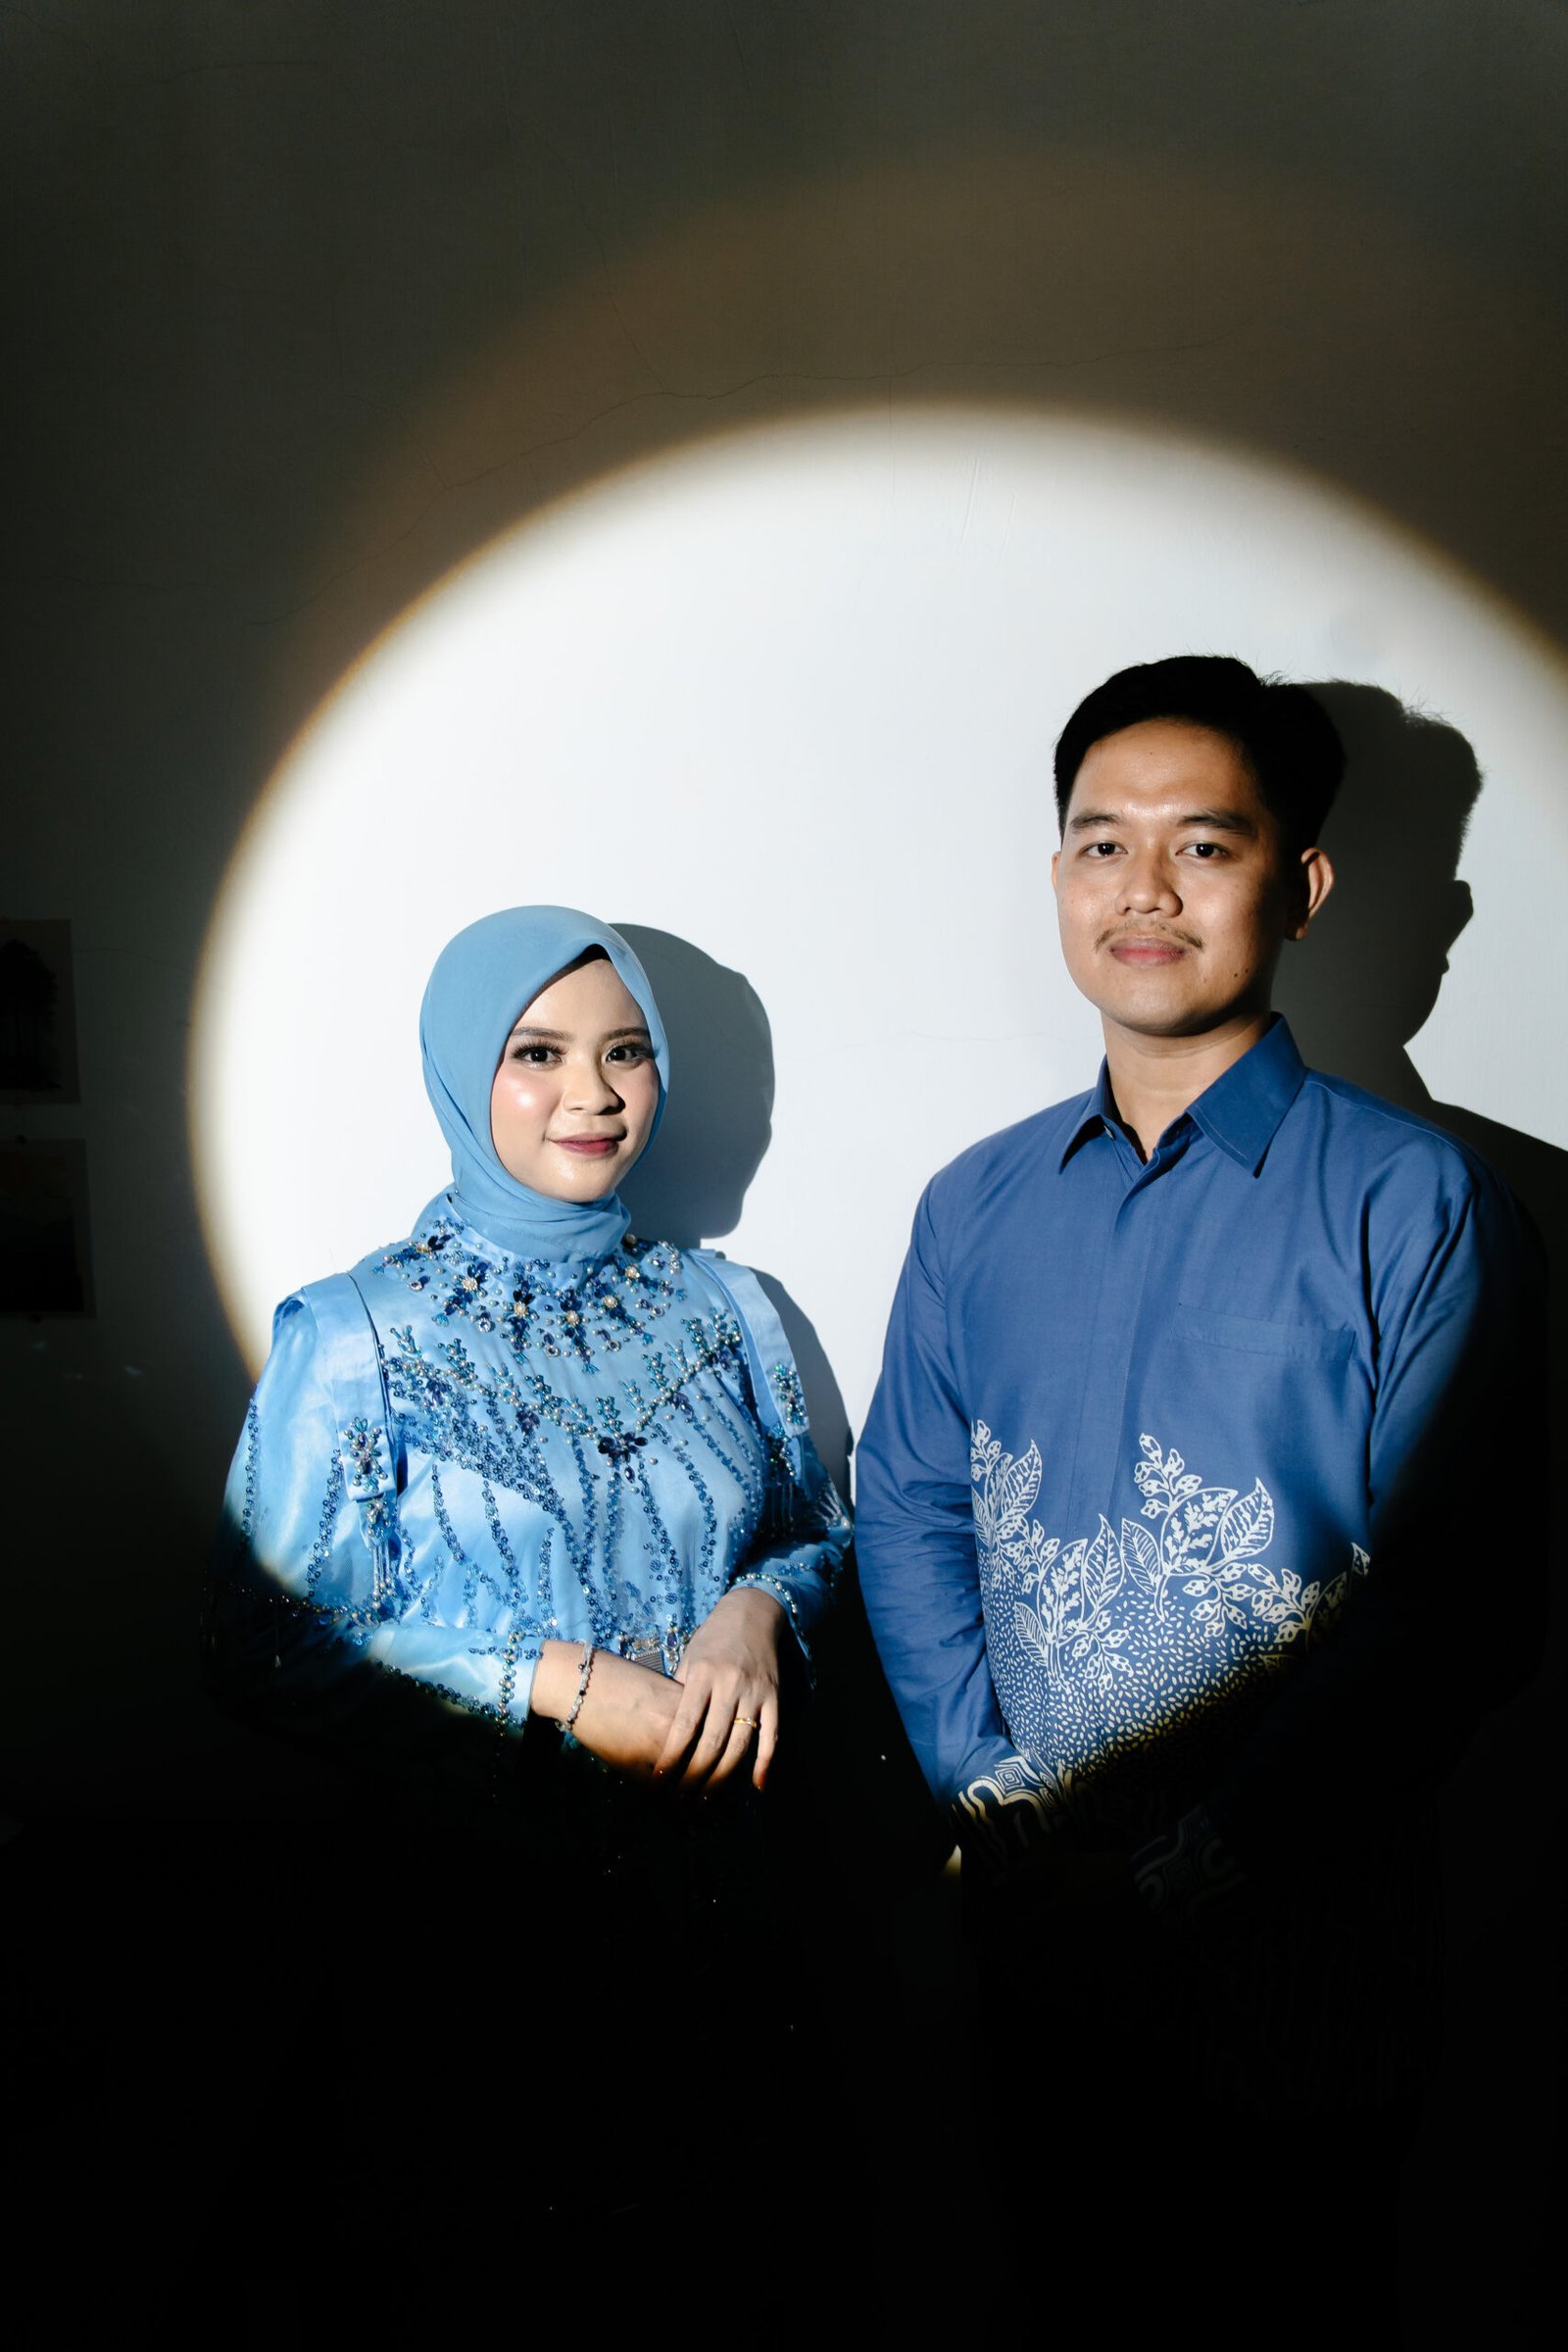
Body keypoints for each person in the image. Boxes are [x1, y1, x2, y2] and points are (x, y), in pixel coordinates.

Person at [854, 656, 1544, 2337]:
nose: (1143, 890)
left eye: (1204, 846)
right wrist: (989, 1794)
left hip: (1306, 1973)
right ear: (1058, 878)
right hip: (1034, 1954)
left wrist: (1203, 1867)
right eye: (1103, 844)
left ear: (1301, 885)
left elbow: (1454, 1602)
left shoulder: (1420, 1202)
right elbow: (911, 1505)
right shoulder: (973, 1205)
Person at [203, 906, 851, 2306]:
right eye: (538, 1053)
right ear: (461, 1069)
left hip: (720, 1909)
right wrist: (549, 1680)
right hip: (470, 1932)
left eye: (627, 1051)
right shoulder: (357, 1334)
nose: (593, 1095)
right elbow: (256, 1641)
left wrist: (758, 1611)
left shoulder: (728, 1310)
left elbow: (821, 1536)